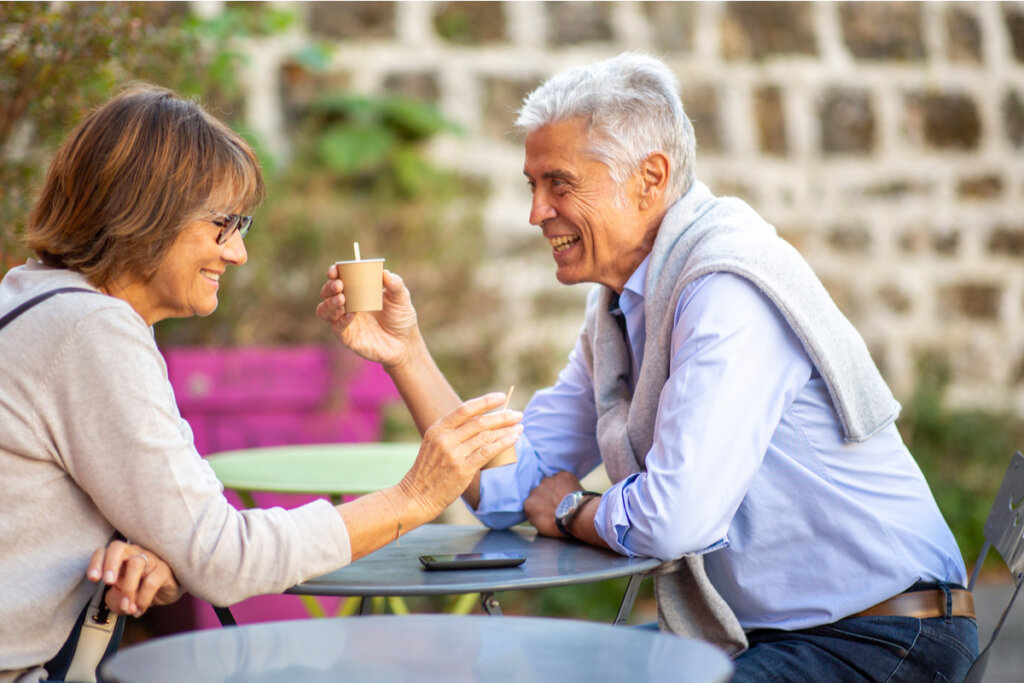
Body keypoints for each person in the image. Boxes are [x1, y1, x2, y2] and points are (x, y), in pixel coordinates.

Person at [317, 53, 978, 680]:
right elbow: (505, 490)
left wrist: (574, 508)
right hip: (774, 634)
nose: (535, 212)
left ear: (651, 179)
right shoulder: (619, 308)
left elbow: (675, 519)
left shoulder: (726, 291)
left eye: (560, 184)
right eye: (534, 184)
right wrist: (407, 352)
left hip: (884, 635)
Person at [0, 84, 522, 683]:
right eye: (223, 224)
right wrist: (415, 498)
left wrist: (163, 552)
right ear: (146, 213)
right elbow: (223, 557)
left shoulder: (36, 296)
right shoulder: (92, 330)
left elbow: (190, 534)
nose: (239, 252)